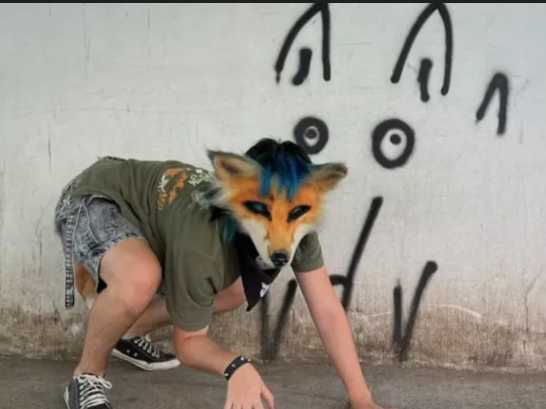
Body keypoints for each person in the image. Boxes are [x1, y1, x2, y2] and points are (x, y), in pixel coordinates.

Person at [54, 138, 392, 409]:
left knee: (236, 290)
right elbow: (188, 344)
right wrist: (235, 366)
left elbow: (327, 309)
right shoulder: (203, 242)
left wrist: (361, 399)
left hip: (149, 216)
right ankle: (85, 378)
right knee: (141, 276)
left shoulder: (300, 230)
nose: (281, 237)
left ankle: (123, 332)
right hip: (94, 197)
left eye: (295, 212)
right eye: (262, 211)